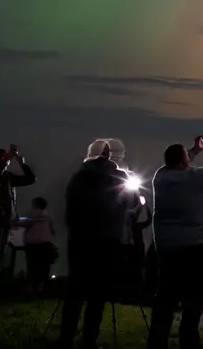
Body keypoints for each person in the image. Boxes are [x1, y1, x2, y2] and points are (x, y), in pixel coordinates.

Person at [148, 136, 203, 349]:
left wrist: (194, 149)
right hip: (196, 246)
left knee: (166, 295)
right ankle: (189, 339)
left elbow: (179, 163)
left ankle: (157, 340)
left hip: (167, 247)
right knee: (194, 296)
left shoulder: (160, 177)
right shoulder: (194, 177)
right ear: (184, 161)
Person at [60, 139, 133, 349]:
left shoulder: (79, 177)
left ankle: (66, 337)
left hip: (80, 240)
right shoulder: (119, 177)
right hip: (108, 242)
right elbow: (128, 206)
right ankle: (88, 339)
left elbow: (70, 208)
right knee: (98, 294)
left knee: (75, 292)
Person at [23, 196, 58, 294]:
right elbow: (54, 230)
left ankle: (30, 289)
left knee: (32, 266)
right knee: (44, 267)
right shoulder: (49, 216)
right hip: (46, 243)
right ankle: (43, 289)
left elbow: (24, 225)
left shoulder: (30, 215)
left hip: (32, 244)